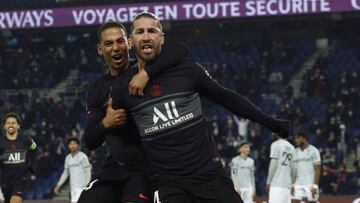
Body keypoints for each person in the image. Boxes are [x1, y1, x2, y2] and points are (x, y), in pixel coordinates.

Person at [111, 12, 290, 203]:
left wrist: (270, 122)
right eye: (140, 32)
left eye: (152, 31)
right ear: (130, 40)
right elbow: (117, 135)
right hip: (167, 183)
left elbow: (227, 98)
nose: (146, 36)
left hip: (208, 174)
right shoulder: (122, 87)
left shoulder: (188, 71)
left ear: (162, 37)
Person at [78, 22, 188, 203]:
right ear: (100, 49)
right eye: (109, 44)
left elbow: (181, 50)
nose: (116, 48)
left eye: (120, 41)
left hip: (147, 168)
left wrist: (146, 74)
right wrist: (106, 124)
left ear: (129, 43)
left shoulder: (146, 68)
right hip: (114, 168)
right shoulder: (97, 88)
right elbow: (90, 141)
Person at [0, 113, 37, 203]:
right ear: (4, 126)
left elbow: (35, 149)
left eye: (13, 123)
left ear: (18, 126)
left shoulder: (26, 140)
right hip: (5, 181)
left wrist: (32, 166)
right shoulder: (1, 142)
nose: (11, 125)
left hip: (21, 180)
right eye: (8, 123)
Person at [54, 137, 91, 203]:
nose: (72, 146)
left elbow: (88, 172)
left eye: (74, 144)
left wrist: (86, 186)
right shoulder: (68, 158)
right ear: (68, 146)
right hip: (73, 187)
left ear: (78, 145)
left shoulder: (83, 156)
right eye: (70, 144)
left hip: (82, 187)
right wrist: (58, 185)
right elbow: (65, 173)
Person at [266, 133, 296, 203]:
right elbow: (294, 168)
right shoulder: (292, 147)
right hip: (287, 185)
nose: (272, 134)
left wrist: (268, 182)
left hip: (276, 184)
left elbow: (273, 166)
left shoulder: (275, 144)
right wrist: (292, 183)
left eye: (273, 132)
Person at [292, 132, 321, 203]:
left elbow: (317, 170)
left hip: (310, 183)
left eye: (297, 138)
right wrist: (292, 184)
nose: (296, 140)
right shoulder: (295, 152)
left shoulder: (314, 151)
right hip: (298, 183)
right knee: (293, 201)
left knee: (312, 202)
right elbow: (294, 170)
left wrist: (315, 186)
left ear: (304, 138)